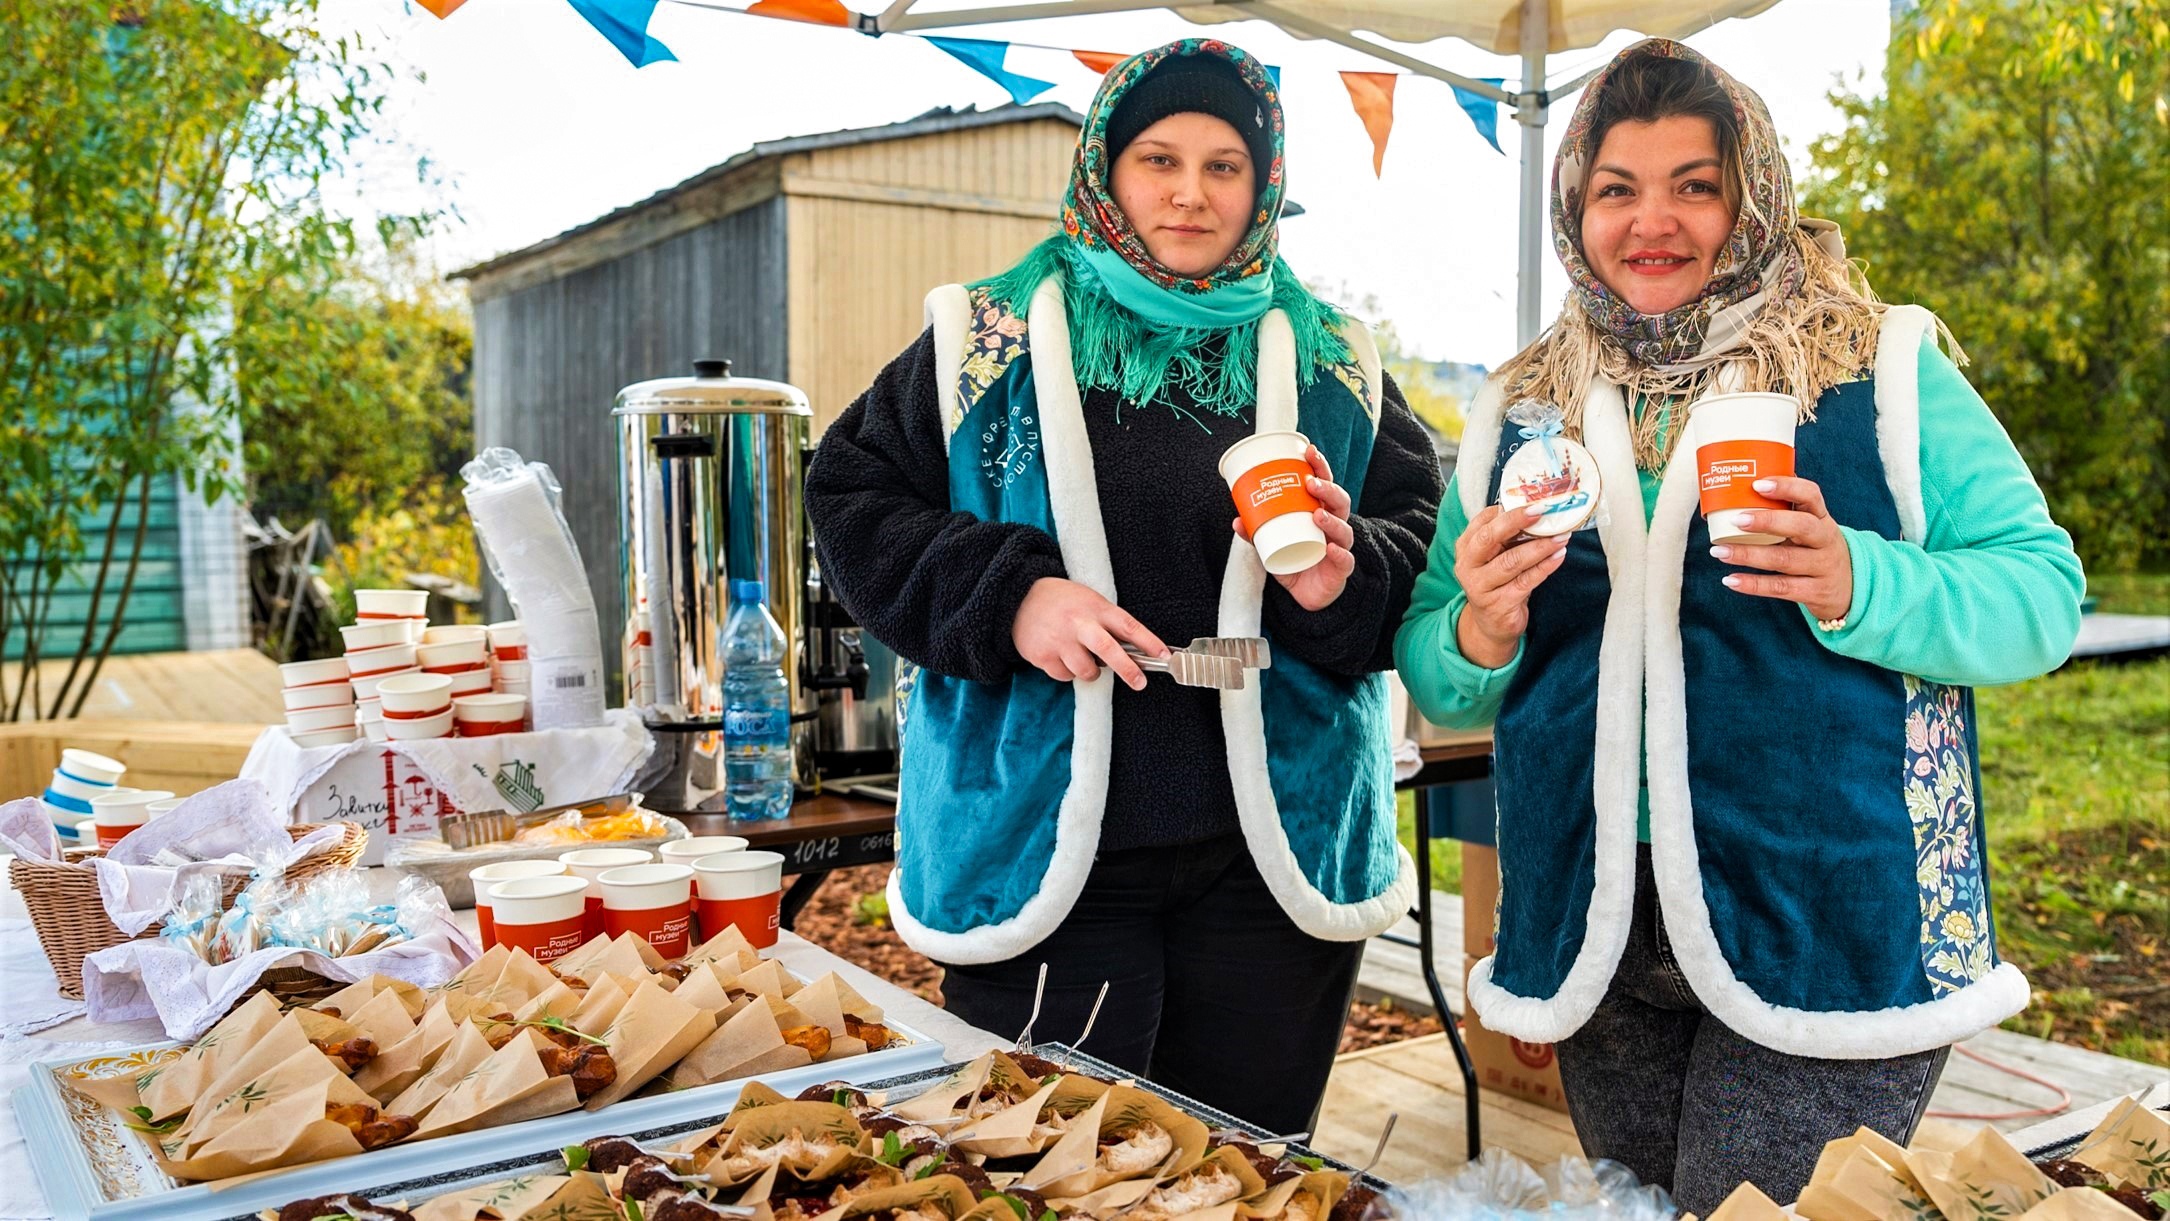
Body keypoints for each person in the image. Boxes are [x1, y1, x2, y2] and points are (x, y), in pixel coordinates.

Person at [1394, 39, 2083, 1211]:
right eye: (1616, 188)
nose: (1650, 221)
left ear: (1752, 195)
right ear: (1577, 206)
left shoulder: (1878, 363)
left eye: (1694, 186)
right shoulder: (1525, 401)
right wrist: (1478, 632)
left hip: (1834, 913)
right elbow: (1437, 666)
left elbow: (2039, 597)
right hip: (1595, 921)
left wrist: (1856, 579)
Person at [806, 39, 1441, 1131]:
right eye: (1159, 159)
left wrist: (1347, 580)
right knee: (1053, 1172)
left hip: (1275, 848)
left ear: (1265, 184)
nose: (1190, 193)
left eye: (1223, 165)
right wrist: (1008, 597)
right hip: (1049, 846)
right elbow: (851, 495)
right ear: (1106, 169)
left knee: (1253, 1171)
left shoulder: (1336, 356)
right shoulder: (987, 339)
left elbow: (1420, 538)